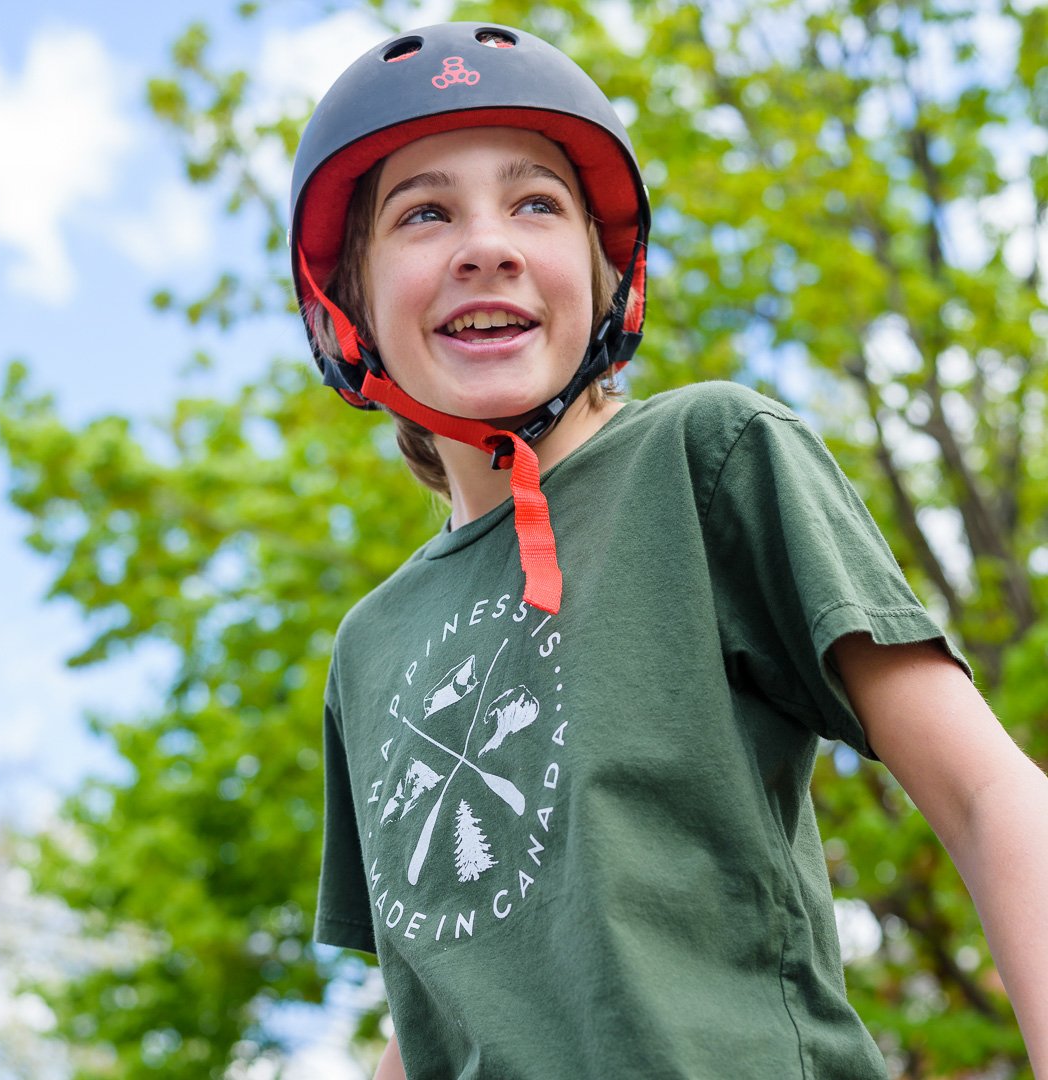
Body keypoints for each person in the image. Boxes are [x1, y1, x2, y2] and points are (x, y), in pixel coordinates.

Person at [288, 22, 1048, 1080]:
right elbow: (445, 1000)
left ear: (610, 275)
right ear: (347, 307)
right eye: (425, 213)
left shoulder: (706, 457)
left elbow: (987, 795)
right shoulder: (368, 648)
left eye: (536, 203)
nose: (487, 245)